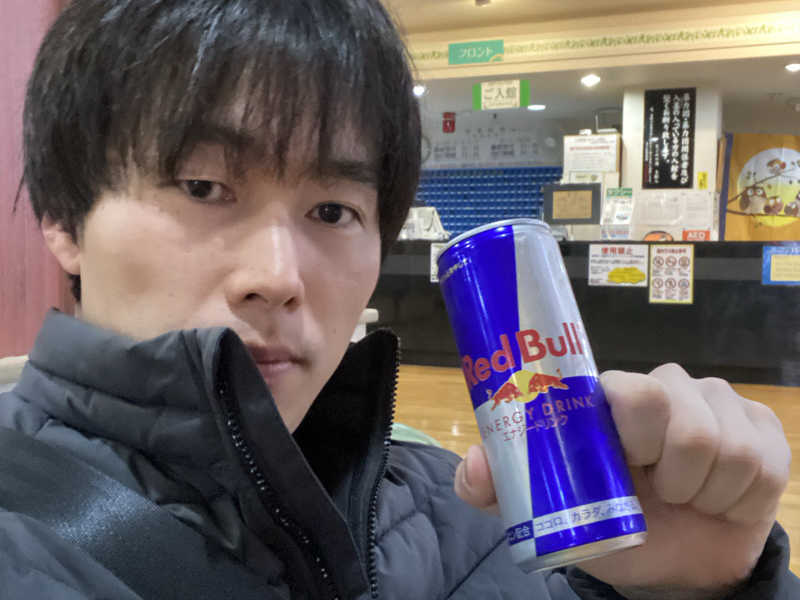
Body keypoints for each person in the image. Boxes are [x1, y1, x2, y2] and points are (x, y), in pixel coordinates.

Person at [0, 0, 796, 598]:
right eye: (202, 186)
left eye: (332, 211)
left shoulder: (472, 511)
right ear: (65, 220)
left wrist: (699, 590)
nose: (278, 276)